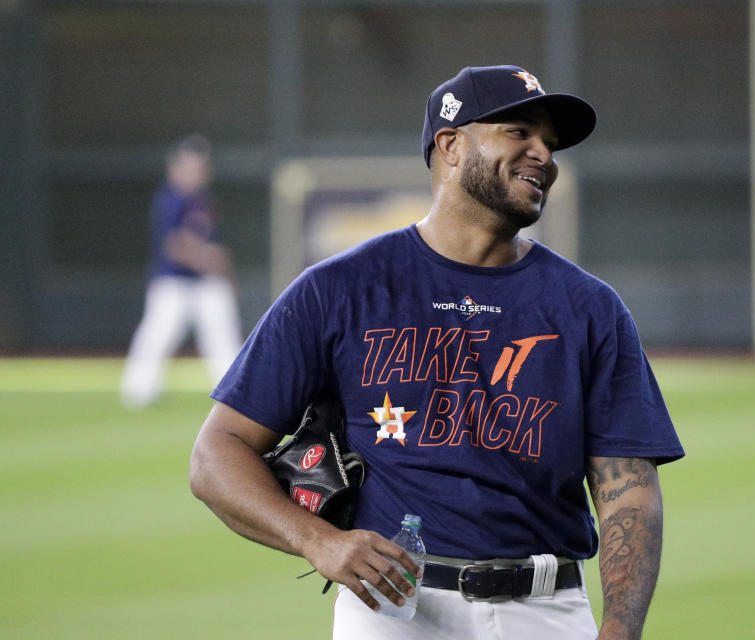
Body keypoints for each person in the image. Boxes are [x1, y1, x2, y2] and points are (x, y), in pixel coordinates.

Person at [189, 65, 684, 639]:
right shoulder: (340, 289)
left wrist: (621, 631)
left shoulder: (589, 308)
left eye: (549, 141)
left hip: (547, 612)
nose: (543, 154)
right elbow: (215, 453)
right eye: (519, 131)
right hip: (395, 609)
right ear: (450, 145)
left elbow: (628, 490)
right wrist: (318, 541)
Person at [120, 134, 243, 408]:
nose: (196, 172)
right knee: (157, 334)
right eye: (190, 166)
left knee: (223, 338)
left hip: (206, 283)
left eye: (200, 166)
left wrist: (222, 270)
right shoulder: (169, 200)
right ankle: (139, 391)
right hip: (173, 281)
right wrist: (209, 259)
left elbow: (213, 248)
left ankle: (232, 395)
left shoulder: (205, 199)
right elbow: (174, 247)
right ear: (174, 166)